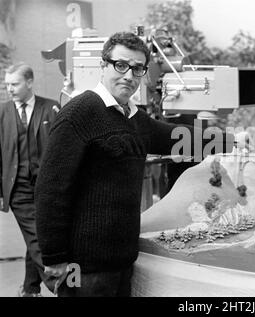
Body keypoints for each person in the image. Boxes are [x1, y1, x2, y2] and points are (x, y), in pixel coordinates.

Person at [34, 32, 233, 297]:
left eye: (138, 69)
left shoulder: (134, 118)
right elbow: (50, 190)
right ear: (103, 65)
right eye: (121, 65)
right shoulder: (79, 113)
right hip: (84, 267)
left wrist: (231, 141)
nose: (129, 75)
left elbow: (176, 137)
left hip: (122, 261)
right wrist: (54, 256)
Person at [0, 63, 60, 296]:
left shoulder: (51, 108)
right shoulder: (2, 112)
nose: (9, 89)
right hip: (18, 188)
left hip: (45, 188)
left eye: (14, 84)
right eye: (7, 85)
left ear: (29, 82)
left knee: (35, 235)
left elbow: (60, 149)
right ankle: (59, 285)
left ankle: (29, 288)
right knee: (38, 237)